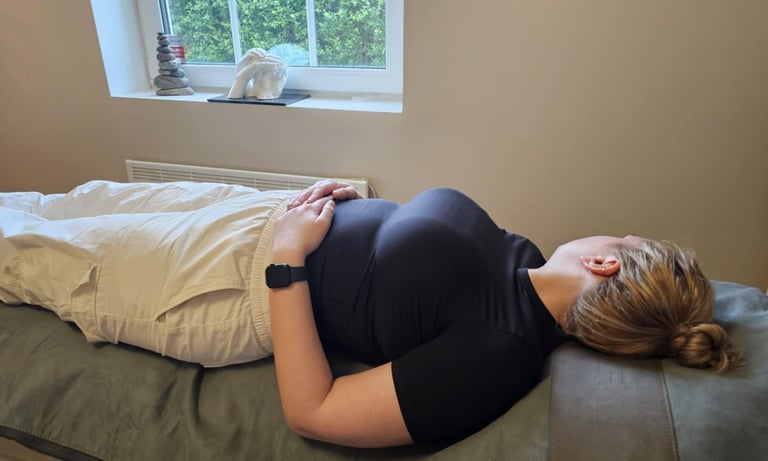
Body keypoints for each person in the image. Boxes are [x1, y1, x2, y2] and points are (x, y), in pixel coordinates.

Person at [0, 179, 741, 448]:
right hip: (256, 215)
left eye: (625, 238)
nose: (614, 232)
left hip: (223, 281)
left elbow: (315, 411)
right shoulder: (525, 261)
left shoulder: (500, 353)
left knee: (25, 252)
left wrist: (289, 259)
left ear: (607, 264)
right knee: (59, 203)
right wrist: (351, 205)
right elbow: (406, 272)